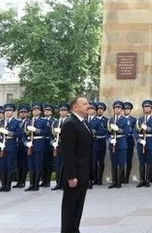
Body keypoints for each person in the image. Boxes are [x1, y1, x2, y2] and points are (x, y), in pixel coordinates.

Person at [60, 96, 94, 233]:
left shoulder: (83, 122)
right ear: (75, 107)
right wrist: (71, 176)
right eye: (84, 103)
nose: (88, 105)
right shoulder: (70, 123)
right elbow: (68, 153)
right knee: (70, 209)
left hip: (83, 173)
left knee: (77, 209)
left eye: (88, 103)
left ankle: (74, 230)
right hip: (75, 176)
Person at [23, 102, 50, 191]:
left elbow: (46, 132)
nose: (35, 111)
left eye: (37, 110)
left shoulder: (44, 121)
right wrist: (26, 143)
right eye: (34, 110)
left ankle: (36, 185)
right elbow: (23, 134)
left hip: (39, 145)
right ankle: (31, 184)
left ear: (40, 111)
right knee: (31, 166)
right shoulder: (28, 121)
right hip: (30, 146)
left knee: (37, 165)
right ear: (32, 112)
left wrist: (36, 130)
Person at [0, 103, 22, 192]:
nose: (8, 112)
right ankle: (3, 185)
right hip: (1, 147)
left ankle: (8, 185)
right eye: (6, 111)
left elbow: (19, 134)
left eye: (10, 111)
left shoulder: (17, 122)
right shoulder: (1, 122)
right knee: (2, 166)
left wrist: (8, 132)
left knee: (10, 166)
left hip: (11, 146)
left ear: (13, 112)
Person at [134, 100, 152, 187]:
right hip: (141, 143)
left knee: (149, 162)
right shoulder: (139, 120)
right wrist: (139, 140)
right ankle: (141, 180)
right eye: (145, 107)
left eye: (148, 107)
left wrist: (148, 128)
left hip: (150, 142)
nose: (147, 108)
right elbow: (135, 132)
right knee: (141, 162)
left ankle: (147, 180)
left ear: (151, 108)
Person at [107, 100, 129, 188]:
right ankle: (114, 181)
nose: (117, 109)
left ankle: (119, 181)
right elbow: (107, 132)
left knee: (121, 163)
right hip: (113, 143)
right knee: (113, 163)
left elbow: (127, 132)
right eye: (115, 108)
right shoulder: (110, 120)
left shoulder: (125, 120)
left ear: (122, 109)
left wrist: (118, 129)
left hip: (122, 143)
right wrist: (110, 139)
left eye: (119, 108)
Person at [51, 103, 70, 190]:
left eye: (65, 110)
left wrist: (62, 132)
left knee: (66, 166)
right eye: (61, 111)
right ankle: (58, 183)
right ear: (59, 112)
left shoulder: (69, 121)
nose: (63, 112)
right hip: (57, 146)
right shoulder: (55, 122)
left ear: (67, 111)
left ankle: (65, 183)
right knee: (57, 165)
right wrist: (52, 142)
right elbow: (51, 134)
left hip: (66, 146)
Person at [13, 104, 30, 188]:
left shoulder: (29, 122)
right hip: (16, 146)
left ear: (27, 113)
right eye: (21, 112)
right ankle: (18, 181)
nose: (23, 114)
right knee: (18, 164)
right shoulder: (17, 122)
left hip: (25, 146)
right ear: (18, 113)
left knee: (24, 164)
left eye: (25, 112)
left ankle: (23, 181)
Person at [40, 104, 57, 187]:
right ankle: (43, 180)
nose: (47, 112)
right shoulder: (41, 120)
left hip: (50, 143)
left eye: (49, 110)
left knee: (49, 163)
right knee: (42, 162)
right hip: (42, 143)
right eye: (46, 110)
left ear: (52, 112)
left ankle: (47, 181)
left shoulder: (54, 121)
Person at [92, 102, 108, 185]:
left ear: (103, 110)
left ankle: (100, 179)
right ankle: (94, 179)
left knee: (101, 161)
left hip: (102, 142)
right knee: (94, 161)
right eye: (98, 109)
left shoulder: (106, 120)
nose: (99, 111)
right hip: (94, 142)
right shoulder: (93, 119)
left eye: (101, 109)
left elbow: (107, 131)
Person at [122, 101, 137, 183]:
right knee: (121, 160)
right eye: (125, 109)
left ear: (130, 110)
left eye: (128, 109)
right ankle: (121, 176)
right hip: (121, 140)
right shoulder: (120, 119)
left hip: (129, 141)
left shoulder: (133, 120)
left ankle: (126, 177)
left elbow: (134, 130)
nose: (126, 110)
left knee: (128, 160)